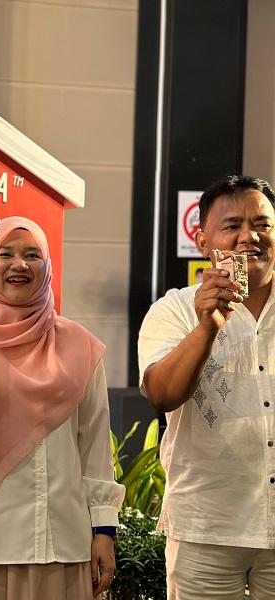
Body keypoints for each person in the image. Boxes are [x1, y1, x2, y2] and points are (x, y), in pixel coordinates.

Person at [0, 217, 124, 600]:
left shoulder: (79, 345)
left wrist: (104, 530)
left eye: (33, 255)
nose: (19, 264)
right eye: (5, 254)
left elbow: (94, 446)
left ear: (47, 267)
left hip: (59, 545)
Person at [139, 175, 275, 599]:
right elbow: (162, 394)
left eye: (262, 224)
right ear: (203, 241)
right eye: (231, 225)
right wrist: (207, 327)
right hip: (207, 526)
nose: (248, 237)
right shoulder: (174, 310)